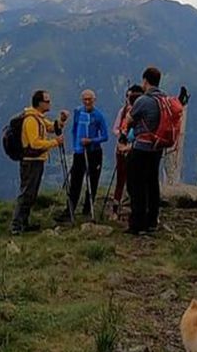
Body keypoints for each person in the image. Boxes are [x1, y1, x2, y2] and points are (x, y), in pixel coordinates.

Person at [11, 90, 68, 236]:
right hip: (31, 161)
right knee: (26, 193)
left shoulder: (39, 118)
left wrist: (61, 121)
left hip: (37, 160)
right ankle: (16, 225)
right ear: (40, 103)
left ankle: (24, 223)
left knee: (31, 193)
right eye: (47, 101)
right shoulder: (31, 120)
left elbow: (51, 127)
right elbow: (35, 143)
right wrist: (55, 142)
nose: (49, 104)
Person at [124, 66, 167, 235]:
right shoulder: (164, 99)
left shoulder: (143, 100)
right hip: (157, 148)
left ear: (145, 81)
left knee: (136, 184)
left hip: (141, 147)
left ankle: (137, 223)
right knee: (152, 183)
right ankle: (152, 221)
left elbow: (129, 120)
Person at [66, 89, 109, 220]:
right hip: (79, 152)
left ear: (94, 100)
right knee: (75, 181)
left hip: (94, 152)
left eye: (90, 99)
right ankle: (70, 210)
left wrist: (91, 141)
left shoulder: (99, 116)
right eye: (85, 99)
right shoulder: (78, 112)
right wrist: (75, 146)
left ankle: (87, 208)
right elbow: (74, 129)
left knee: (93, 180)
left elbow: (105, 136)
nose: (87, 102)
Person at [110, 85, 144, 217]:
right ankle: (116, 207)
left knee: (134, 180)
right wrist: (121, 135)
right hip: (122, 149)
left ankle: (134, 208)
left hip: (133, 149)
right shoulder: (123, 111)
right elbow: (115, 128)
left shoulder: (138, 114)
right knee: (121, 178)